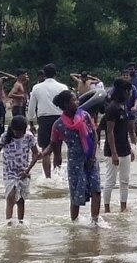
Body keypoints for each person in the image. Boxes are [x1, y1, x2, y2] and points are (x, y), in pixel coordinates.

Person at [27, 90, 101, 223]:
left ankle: (95, 221)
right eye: (73, 100)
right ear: (66, 104)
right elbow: (53, 145)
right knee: (75, 196)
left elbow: (94, 135)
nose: (77, 102)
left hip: (90, 159)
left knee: (96, 190)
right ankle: (74, 225)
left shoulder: (84, 116)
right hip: (75, 163)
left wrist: (92, 156)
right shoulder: (58, 125)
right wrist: (42, 154)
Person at [0, 115, 41, 224]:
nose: (19, 134)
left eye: (21, 132)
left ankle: (20, 222)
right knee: (10, 197)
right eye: (17, 132)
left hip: (23, 172)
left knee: (20, 200)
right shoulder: (5, 137)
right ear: (12, 130)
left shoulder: (29, 137)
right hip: (9, 172)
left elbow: (36, 153)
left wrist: (27, 171)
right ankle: (8, 223)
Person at [27, 63, 67, 178]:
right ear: (56, 74)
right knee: (57, 149)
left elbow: (31, 107)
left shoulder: (36, 88)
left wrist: (31, 122)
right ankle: (57, 176)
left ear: (44, 74)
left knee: (45, 149)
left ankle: (48, 178)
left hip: (43, 120)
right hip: (60, 118)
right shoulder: (62, 87)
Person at [102, 78, 136, 213]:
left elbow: (126, 131)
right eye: (128, 92)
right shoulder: (112, 108)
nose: (129, 95)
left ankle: (123, 207)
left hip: (125, 149)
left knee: (125, 181)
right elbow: (109, 132)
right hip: (113, 151)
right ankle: (107, 209)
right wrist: (114, 152)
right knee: (110, 181)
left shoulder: (124, 108)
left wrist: (131, 149)